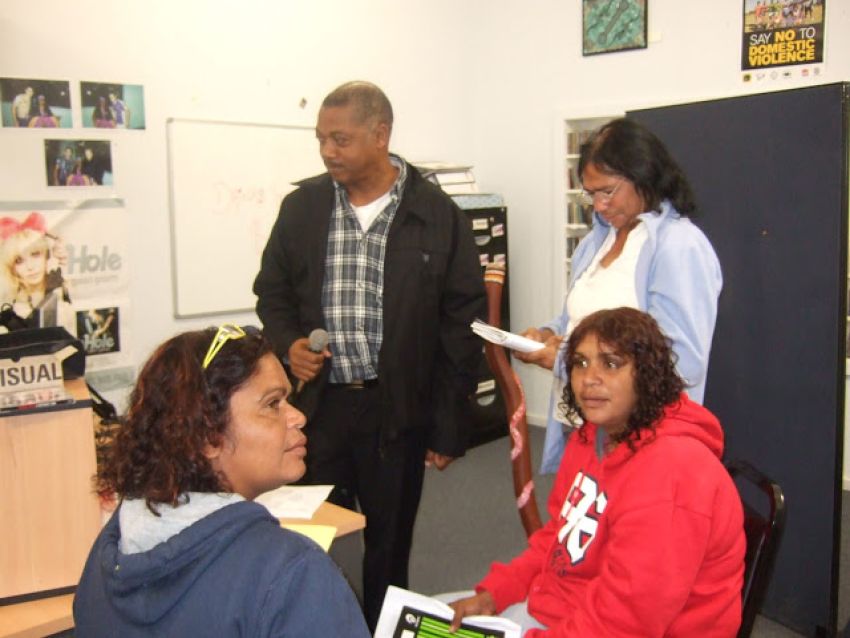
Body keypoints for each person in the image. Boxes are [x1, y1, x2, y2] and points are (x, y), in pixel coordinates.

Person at [253, 80, 485, 630]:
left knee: (388, 541)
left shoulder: (435, 213)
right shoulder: (303, 206)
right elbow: (272, 291)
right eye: (321, 140)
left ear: (380, 136)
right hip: (319, 407)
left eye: (341, 139)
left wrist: (450, 426)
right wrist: (288, 345)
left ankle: (381, 627)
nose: (328, 151)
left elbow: (462, 324)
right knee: (308, 533)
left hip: (395, 409)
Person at [448, 307, 745, 637]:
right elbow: (558, 541)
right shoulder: (592, 437)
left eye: (611, 363)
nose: (589, 378)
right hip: (564, 610)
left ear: (647, 373)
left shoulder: (673, 472)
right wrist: (495, 595)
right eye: (580, 362)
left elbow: (628, 621)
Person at [73, 325, 369, 637]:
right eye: (272, 404)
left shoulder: (112, 545)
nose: (298, 417)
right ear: (207, 437)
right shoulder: (293, 574)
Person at [515, 118, 722, 474]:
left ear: (644, 176)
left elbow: (681, 361)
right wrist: (547, 335)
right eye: (590, 194)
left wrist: (566, 356)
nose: (598, 205)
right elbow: (578, 321)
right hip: (583, 422)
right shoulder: (597, 242)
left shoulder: (679, 247)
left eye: (607, 191)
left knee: (631, 526)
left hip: (642, 436)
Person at [0, 211, 74, 334]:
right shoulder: (12, 309)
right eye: (19, 261)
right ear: (12, 268)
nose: (30, 267)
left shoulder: (63, 290)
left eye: (35, 255)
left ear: (47, 255)